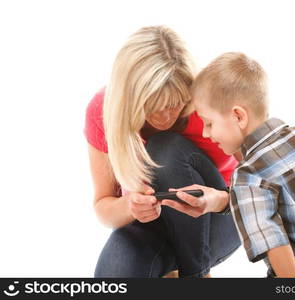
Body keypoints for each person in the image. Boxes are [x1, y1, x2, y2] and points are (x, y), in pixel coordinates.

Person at [162, 52, 295, 277]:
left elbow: (276, 245)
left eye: (209, 123)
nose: (205, 132)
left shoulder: (248, 177)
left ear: (239, 116)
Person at [84, 26, 241, 278]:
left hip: (219, 216)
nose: (166, 116)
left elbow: (259, 191)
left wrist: (216, 200)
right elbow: (104, 207)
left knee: (165, 148)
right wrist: (130, 207)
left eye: (175, 103)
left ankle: (195, 276)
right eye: (153, 106)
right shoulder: (103, 112)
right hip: (152, 225)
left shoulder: (211, 105)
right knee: (113, 275)